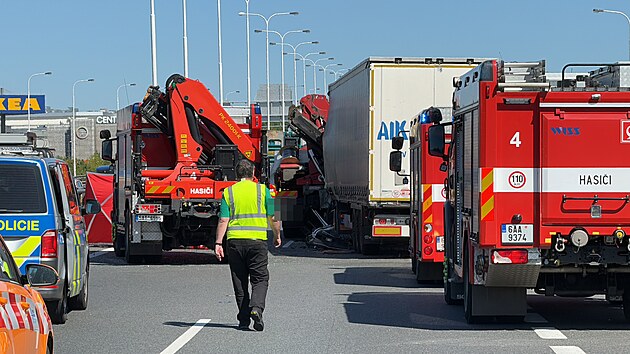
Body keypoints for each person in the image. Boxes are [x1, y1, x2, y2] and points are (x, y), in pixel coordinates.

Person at [214, 159, 281, 331]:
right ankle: (256, 309)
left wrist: (218, 242)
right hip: (257, 241)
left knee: (239, 281)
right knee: (260, 278)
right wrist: (277, 235)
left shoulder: (229, 192)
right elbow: (273, 217)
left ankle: (243, 319)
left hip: (234, 242)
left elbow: (223, 220)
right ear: (253, 174)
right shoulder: (263, 190)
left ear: (237, 175)